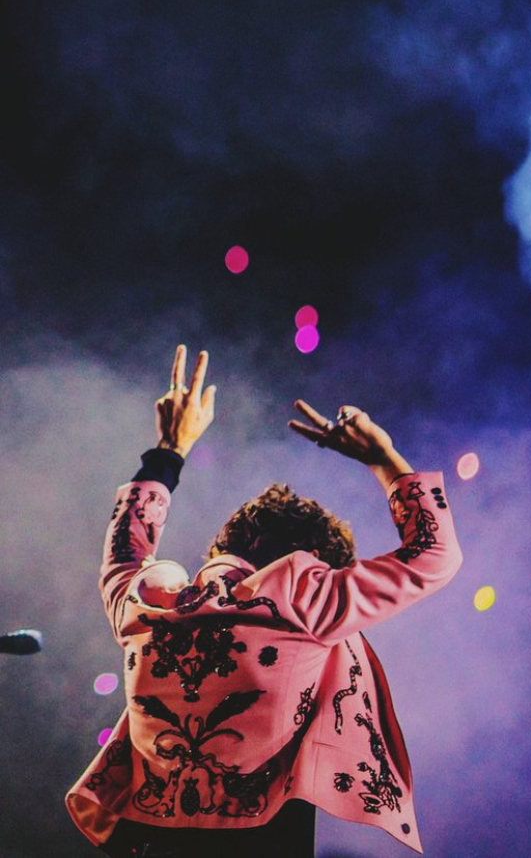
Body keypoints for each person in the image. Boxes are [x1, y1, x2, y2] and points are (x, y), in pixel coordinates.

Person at [66, 344, 463, 857]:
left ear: (226, 545)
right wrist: (384, 459)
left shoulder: (148, 604)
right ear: (315, 559)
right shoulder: (304, 599)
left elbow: (124, 550)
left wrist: (169, 448)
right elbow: (434, 555)